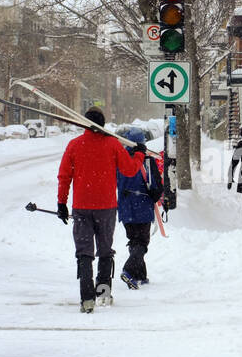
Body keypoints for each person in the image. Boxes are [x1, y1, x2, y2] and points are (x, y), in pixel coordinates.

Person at [56, 108, 145, 313]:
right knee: (105, 251)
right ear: (103, 125)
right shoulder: (112, 144)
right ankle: (104, 293)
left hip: (81, 207)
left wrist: (62, 203)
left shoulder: (74, 145)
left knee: (84, 254)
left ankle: (87, 299)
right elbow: (130, 169)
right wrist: (139, 153)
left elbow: (64, 176)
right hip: (106, 207)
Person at [116, 127, 163, 290]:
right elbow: (157, 188)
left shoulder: (119, 160)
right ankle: (129, 271)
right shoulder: (148, 161)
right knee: (142, 242)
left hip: (125, 208)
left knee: (134, 241)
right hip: (142, 207)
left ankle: (140, 275)